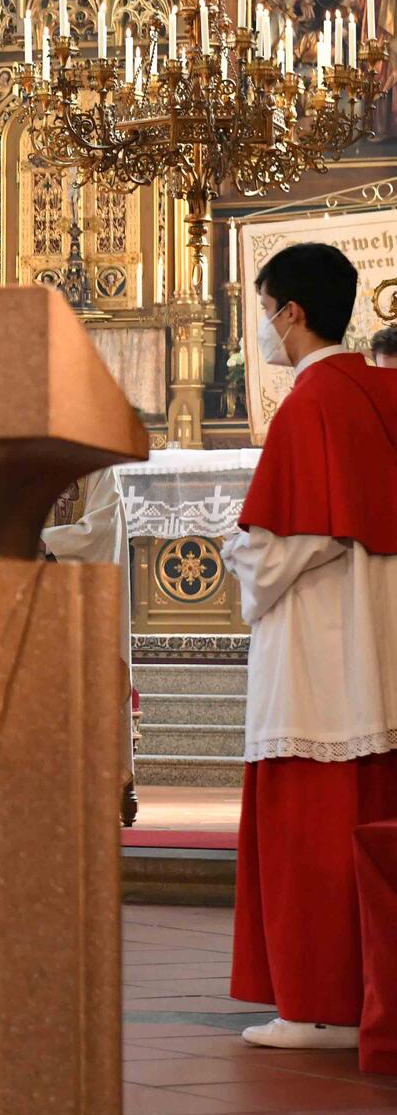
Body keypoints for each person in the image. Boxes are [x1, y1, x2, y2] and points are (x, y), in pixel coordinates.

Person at [225, 243, 397, 1050]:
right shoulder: (381, 390)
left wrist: (235, 550)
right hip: (378, 646)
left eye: (264, 311)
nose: (263, 328)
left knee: (311, 824)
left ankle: (316, 1006)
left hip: (319, 655)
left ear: (291, 312)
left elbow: (277, 552)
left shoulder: (310, 403)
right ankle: (370, 998)